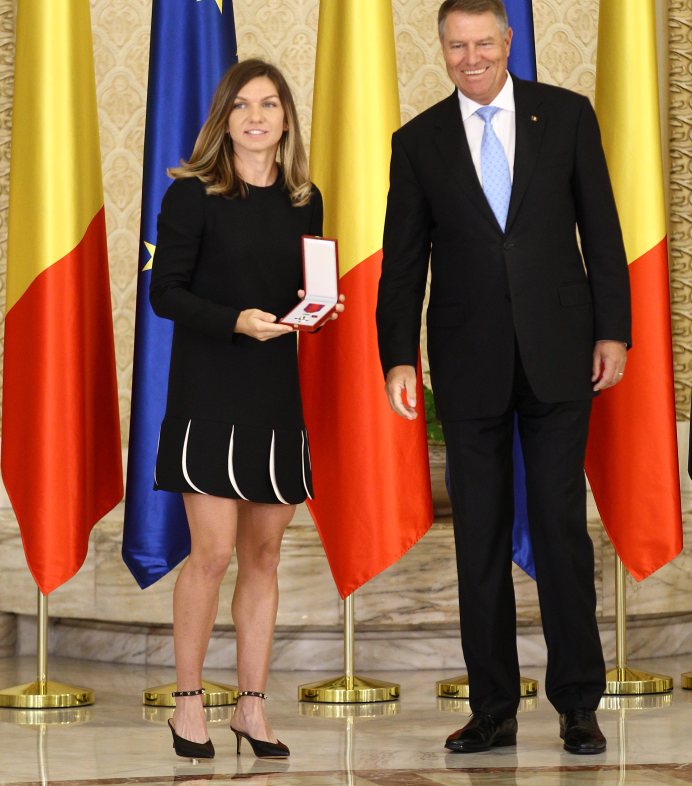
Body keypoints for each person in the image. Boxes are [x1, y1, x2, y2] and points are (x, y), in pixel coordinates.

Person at [377, 0, 631, 755]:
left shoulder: (568, 116)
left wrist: (613, 330)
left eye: (483, 42)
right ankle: (492, 709)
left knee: (559, 530)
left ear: (508, 40)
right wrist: (398, 356)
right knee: (478, 540)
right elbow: (402, 262)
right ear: (443, 50)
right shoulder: (417, 141)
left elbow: (603, 230)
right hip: (469, 363)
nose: (472, 58)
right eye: (457, 46)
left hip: (561, 353)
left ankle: (578, 703)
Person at [149, 58, 344, 761]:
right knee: (211, 554)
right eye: (242, 105)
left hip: (273, 394)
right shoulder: (192, 194)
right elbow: (165, 293)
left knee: (264, 554)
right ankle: (189, 703)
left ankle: (252, 708)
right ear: (223, 119)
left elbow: (297, 291)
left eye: (269, 104)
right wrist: (235, 320)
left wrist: (319, 308)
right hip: (208, 393)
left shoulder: (304, 199)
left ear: (287, 118)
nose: (256, 116)